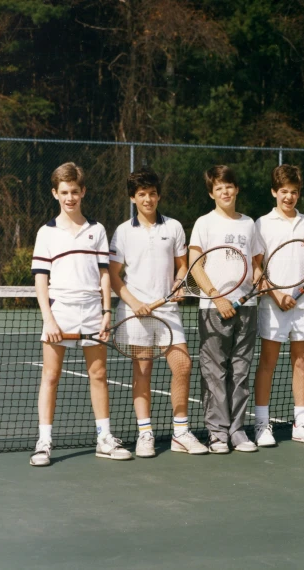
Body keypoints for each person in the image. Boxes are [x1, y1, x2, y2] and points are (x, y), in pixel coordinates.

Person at [30, 162, 132, 466]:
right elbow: (40, 279)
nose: (70, 197)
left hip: (92, 311)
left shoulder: (97, 230)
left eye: (74, 191)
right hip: (60, 310)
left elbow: (104, 275)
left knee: (99, 375)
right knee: (50, 376)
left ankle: (104, 438)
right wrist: (48, 318)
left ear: (83, 191)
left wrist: (106, 312)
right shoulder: (45, 233)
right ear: (54, 193)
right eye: (64, 192)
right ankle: (44, 443)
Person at [109, 167, 209, 457]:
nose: (148, 199)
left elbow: (182, 265)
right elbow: (114, 276)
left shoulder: (174, 227)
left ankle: (180, 432)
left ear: (159, 195)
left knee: (183, 365)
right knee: (142, 371)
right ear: (133, 198)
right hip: (135, 312)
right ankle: (145, 434)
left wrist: (180, 282)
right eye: (142, 194)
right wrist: (133, 301)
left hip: (167, 311)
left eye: (152, 194)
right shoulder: (123, 232)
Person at [190, 165, 264, 453]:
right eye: (219, 188)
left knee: (240, 371)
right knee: (214, 373)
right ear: (211, 193)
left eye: (229, 186)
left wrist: (258, 279)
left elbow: (256, 262)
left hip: (247, 308)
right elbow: (196, 265)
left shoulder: (248, 224)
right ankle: (217, 432)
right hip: (214, 308)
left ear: (236, 189)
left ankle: (237, 430)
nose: (225, 191)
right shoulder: (204, 223)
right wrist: (216, 296)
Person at [252, 165, 304, 446]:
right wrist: (277, 294)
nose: (289, 197)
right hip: (273, 304)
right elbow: (257, 268)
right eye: (284, 191)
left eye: (294, 192)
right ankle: (261, 424)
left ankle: (301, 423)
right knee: (268, 362)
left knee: (301, 361)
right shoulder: (262, 223)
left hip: (303, 304)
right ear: (274, 192)